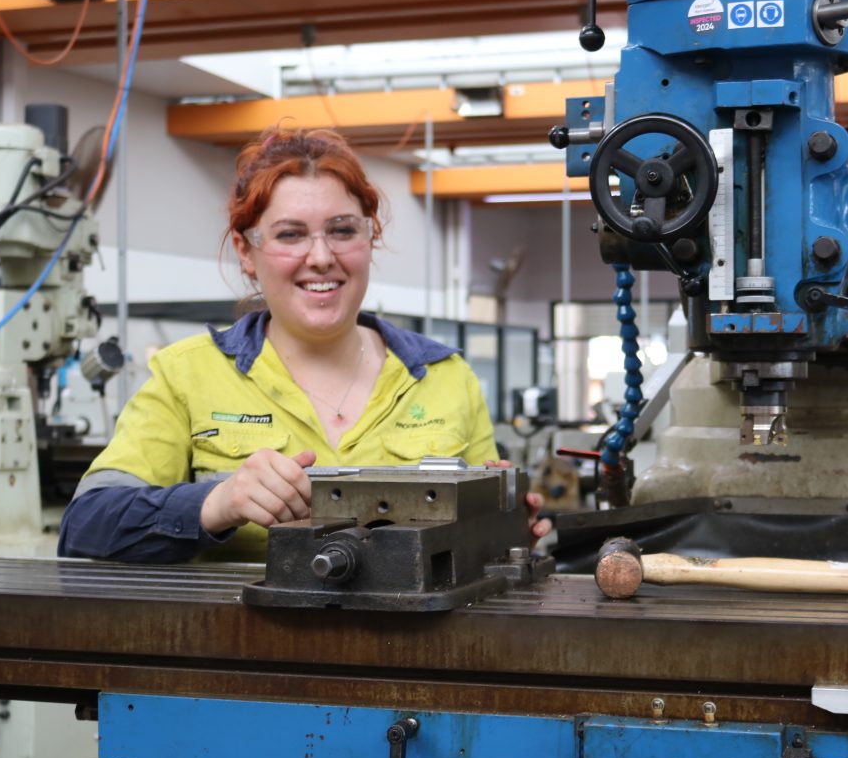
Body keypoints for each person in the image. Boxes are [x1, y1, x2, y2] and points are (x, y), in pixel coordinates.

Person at [58, 127, 551, 563]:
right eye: (290, 234)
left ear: (370, 236)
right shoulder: (187, 375)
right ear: (246, 253)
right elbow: (86, 526)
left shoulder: (445, 377)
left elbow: (487, 551)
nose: (320, 257)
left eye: (342, 230)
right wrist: (218, 504)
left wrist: (506, 534)